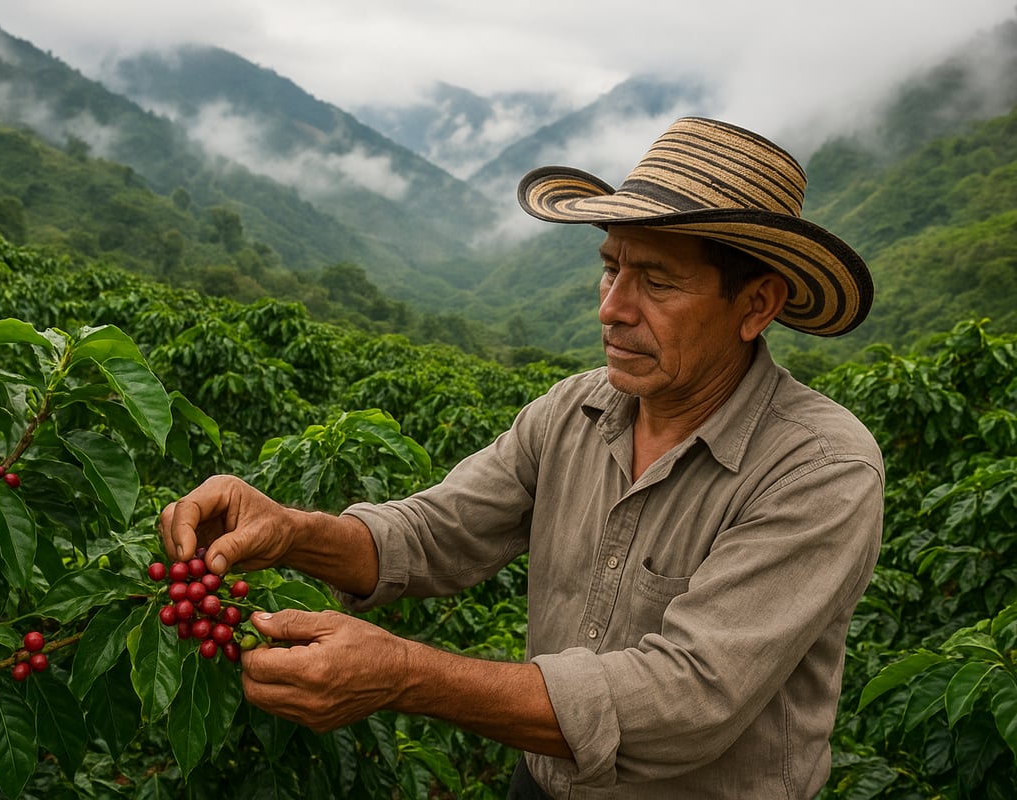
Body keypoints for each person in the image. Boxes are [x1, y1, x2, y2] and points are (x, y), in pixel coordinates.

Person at [159, 116, 885, 798]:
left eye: (658, 281)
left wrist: (406, 675)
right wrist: (292, 532)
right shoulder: (572, 412)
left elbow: (686, 699)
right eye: (611, 269)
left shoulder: (819, 469)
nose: (613, 306)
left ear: (756, 306)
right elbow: (431, 535)